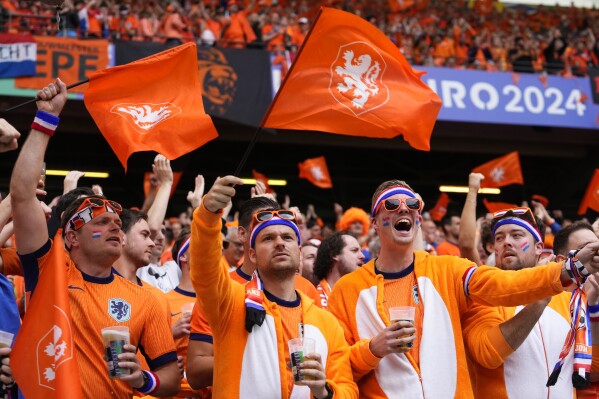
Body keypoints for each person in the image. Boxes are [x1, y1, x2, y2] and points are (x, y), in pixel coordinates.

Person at [327, 179, 599, 398]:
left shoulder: (448, 270)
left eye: (412, 203)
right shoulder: (347, 290)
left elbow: (499, 282)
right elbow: (338, 369)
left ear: (418, 218)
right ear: (374, 222)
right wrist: (373, 349)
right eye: (391, 204)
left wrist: (564, 272)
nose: (403, 208)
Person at [9, 79, 179, 398]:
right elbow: (21, 196)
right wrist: (46, 120)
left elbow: (170, 377)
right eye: (102, 222)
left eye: (117, 223)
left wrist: (143, 379)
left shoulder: (147, 299)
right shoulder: (47, 272)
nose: (116, 228)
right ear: (72, 236)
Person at [189, 176, 358, 398]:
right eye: (267, 238)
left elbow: (348, 388)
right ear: (252, 254)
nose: (279, 242)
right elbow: (205, 269)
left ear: (299, 251)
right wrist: (208, 216)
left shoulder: (326, 322)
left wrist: (324, 390)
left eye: (288, 237)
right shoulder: (230, 302)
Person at [186, 195, 322, 391]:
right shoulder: (221, 289)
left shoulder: (307, 290)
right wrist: (258, 359)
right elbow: (195, 373)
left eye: (285, 235)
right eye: (266, 233)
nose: (278, 242)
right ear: (243, 234)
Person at [313, 232, 364, 309]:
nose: (362, 256)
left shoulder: (365, 296)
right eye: (354, 250)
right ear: (334, 254)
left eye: (361, 251)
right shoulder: (313, 299)